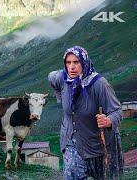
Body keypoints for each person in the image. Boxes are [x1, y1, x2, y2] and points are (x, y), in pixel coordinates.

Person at [48, 46, 123, 180]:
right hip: (71, 141)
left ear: (84, 62)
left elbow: (117, 110)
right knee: (73, 174)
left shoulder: (99, 84)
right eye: (68, 62)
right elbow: (51, 78)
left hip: (96, 145)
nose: (71, 67)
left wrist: (108, 120)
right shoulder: (61, 78)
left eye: (76, 62)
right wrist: (59, 96)